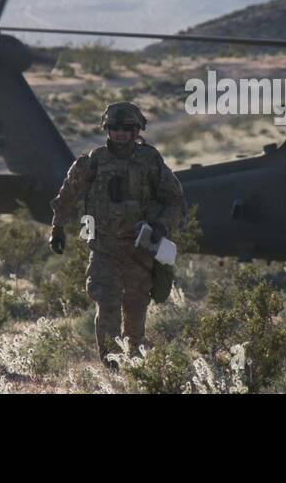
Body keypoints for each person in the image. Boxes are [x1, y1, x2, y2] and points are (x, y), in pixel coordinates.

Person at [49, 101, 185, 364]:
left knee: (135, 309)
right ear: (107, 129)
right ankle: (111, 367)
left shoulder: (150, 161)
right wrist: (57, 228)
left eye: (126, 128)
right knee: (108, 305)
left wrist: (161, 226)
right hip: (104, 250)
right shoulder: (93, 162)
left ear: (137, 130)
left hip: (139, 250)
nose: (120, 133)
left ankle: (133, 363)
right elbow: (66, 196)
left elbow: (175, 200)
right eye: (114, 128)